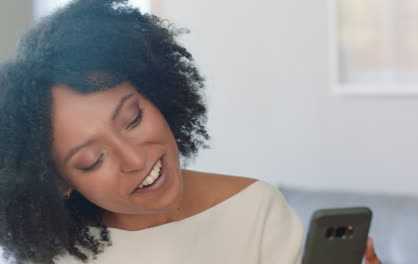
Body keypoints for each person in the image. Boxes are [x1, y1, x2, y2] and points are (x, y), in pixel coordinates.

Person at [0, 0, 382, 263]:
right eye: (93, 159)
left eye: (133, 118)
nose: (136, 158)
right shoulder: (50, 255)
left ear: (157, 93)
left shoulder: (255, 211)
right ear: (57, 181)